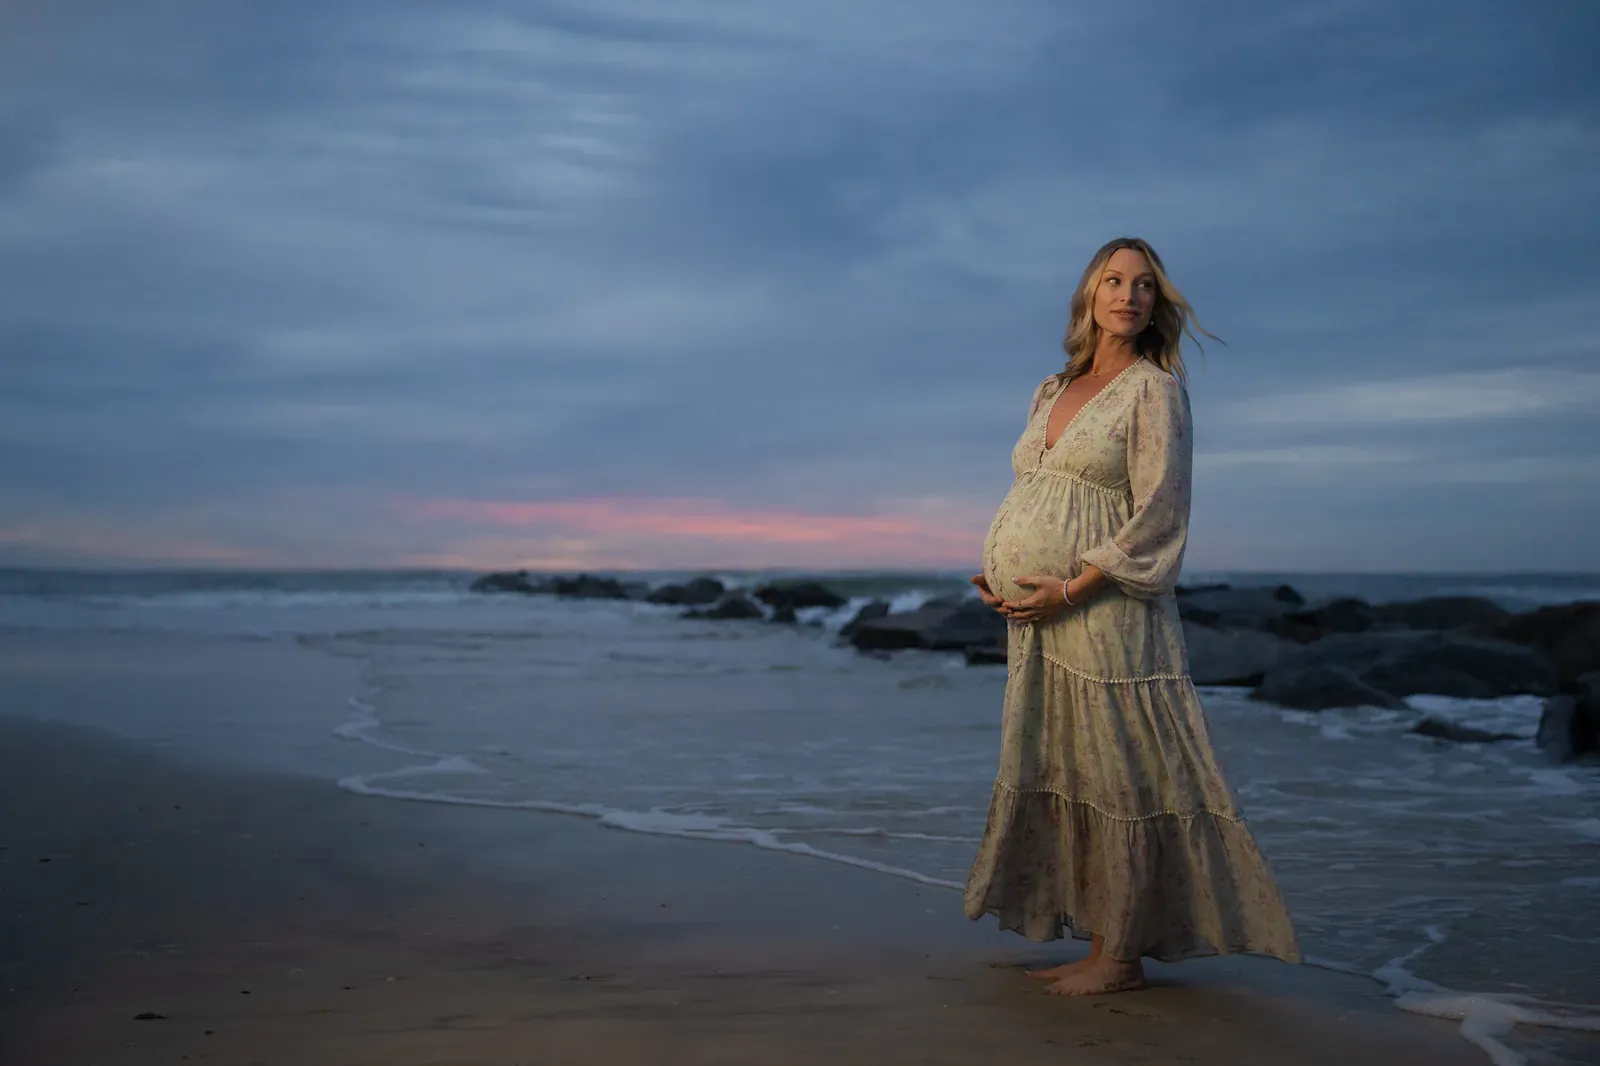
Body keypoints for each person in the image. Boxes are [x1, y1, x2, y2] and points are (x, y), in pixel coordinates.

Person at [964, 236, 1300, 996]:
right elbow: (1039, 489)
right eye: (1112, 280)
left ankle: (1120, 959)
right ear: (1089, 294)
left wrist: (1074, 586)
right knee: (1064, 767)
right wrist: (1006, 576)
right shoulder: (1051, 388)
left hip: (1107, 612)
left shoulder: (1155, 390)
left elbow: (1160, 513)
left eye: (1144, 285)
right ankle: (1096, 939)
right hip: (1040, 618)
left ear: (1157, 303)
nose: (1128, 294)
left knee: (1122, 773)